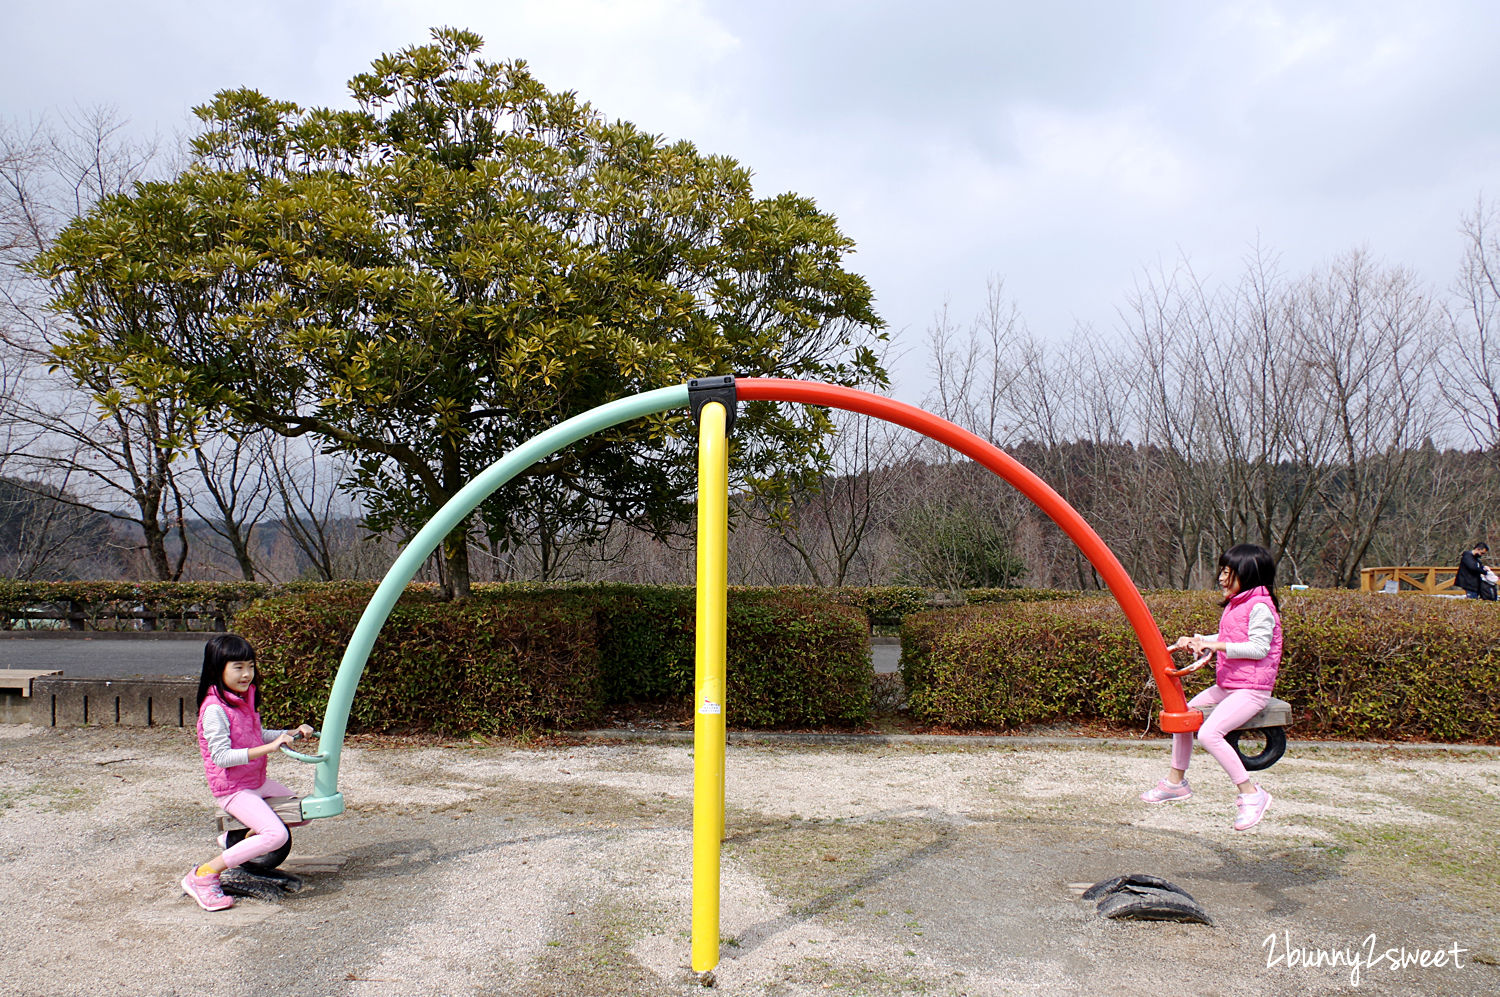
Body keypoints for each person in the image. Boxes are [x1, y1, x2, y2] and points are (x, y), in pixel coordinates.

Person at [1140, 544, 1281, 831]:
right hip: (1229, 685)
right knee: (1183, 716)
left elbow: (1258, 647)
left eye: (1228, 573)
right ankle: (1175, 784)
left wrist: (1214, 645)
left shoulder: (1261, 607)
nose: (1221, 578)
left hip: (1252, 689)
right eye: (1223, 571)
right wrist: (1199, 639)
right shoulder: (1238, 604)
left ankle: (1251, 794)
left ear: (1249, 575)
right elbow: (1229, 635)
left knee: (1209, 733)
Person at [181, 634, 315, 911]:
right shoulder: (215, 709)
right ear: (218, 669)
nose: (246, 674)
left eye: (251, 666)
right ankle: (204, 875)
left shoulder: (242, 700)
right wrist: (270, 748)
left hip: (255, 781)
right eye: (238, 667)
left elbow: (256, 735)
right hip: (233, 788)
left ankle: (237, 841)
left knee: (304, 812)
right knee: (275, 835)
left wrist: (289, 734)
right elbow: (222, 757)